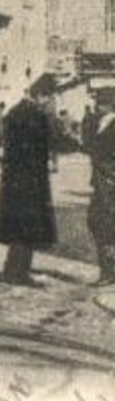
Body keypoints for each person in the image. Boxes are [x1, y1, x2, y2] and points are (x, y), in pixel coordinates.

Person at [0, 76, 58, 287]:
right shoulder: (36, 116)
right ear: (41, 95)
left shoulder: (14, 112)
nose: (49, 102)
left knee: (18, 227)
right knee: (27, 227)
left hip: (14, 178)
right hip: (31, 179)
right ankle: (18, 273)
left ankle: (13, 269)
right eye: (48, 98)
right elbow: (50, 142)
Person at [86, 96, 115, 287]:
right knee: (97, 221)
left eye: (101, 101)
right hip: (100, 181)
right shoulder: (100, 122)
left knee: (103, 222)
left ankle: (109, 271)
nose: (97, 105)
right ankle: (108, 269)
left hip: (109, 181)